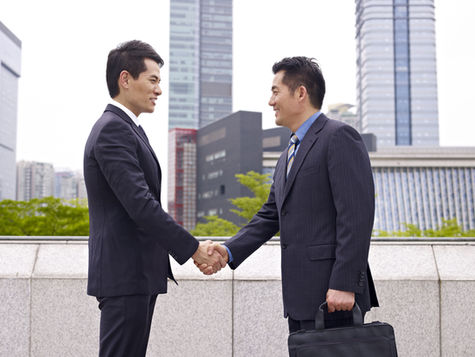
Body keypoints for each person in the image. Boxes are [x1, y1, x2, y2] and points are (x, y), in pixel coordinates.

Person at [203, 56, 379, 334]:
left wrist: (345, 283)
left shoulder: (339, 136)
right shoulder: (288, 154)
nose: (270, 101)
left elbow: (357, 215)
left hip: (335, 298)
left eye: (275, 91)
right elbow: (270, 214)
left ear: (300, 93)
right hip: (301, 298)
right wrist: (228, 250)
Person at [84, 40, 225, 357]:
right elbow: (141, 205)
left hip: (135, 275)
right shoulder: (112, 130)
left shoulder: (129, 129)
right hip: (125, 275)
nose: (159, 90)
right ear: (125, 79)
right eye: (153, 80)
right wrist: (193, 249)